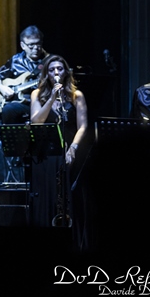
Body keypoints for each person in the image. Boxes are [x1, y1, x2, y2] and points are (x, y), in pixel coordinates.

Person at [29, 54, 88, 227]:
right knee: (46, 197)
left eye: (59, 69)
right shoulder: (37, 94)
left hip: (68, 153)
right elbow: (36, 121)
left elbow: (83, 126)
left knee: (67, 198)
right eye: (52, 69)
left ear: (66, 72)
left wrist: (74, 148)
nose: (56, 72)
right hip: (45, 154)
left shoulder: (76, 95)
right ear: (46, 73)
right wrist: (51, 99)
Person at [0, 25, 48, 124]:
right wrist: (2, 88)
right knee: (8, 109)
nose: (36, 48)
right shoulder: (16, 60)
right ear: (23, 45)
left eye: (38, 44)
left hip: (42, 103)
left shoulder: (49, 61)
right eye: (31, 45)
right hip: (22, 103)